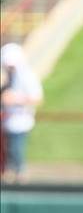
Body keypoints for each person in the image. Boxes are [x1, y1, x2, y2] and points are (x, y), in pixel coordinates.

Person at [0, 43, 43, 183]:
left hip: (20, 120)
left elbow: (37, 98)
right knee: (9, 150)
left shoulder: (26, 76)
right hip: (9, 120)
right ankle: (12, 174)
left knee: (16, 150)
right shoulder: (11, 76)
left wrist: (15, 99)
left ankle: (19, 176)